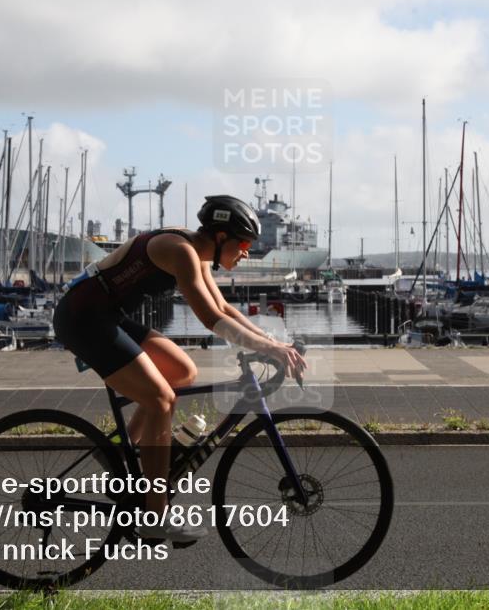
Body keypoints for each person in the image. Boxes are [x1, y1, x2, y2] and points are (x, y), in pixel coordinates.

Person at [52, 195, 307, 541]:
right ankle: (155, 516)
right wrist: (271, 348)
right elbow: (211, 319)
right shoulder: (180, 251)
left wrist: (275, 343)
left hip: (105, 316)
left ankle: (118, 452)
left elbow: (224, 308)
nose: (247, 251)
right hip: (82, 319)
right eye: (244, 243)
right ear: (220, 238)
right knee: (160, 400)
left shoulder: (198, 252)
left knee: (182, 371)